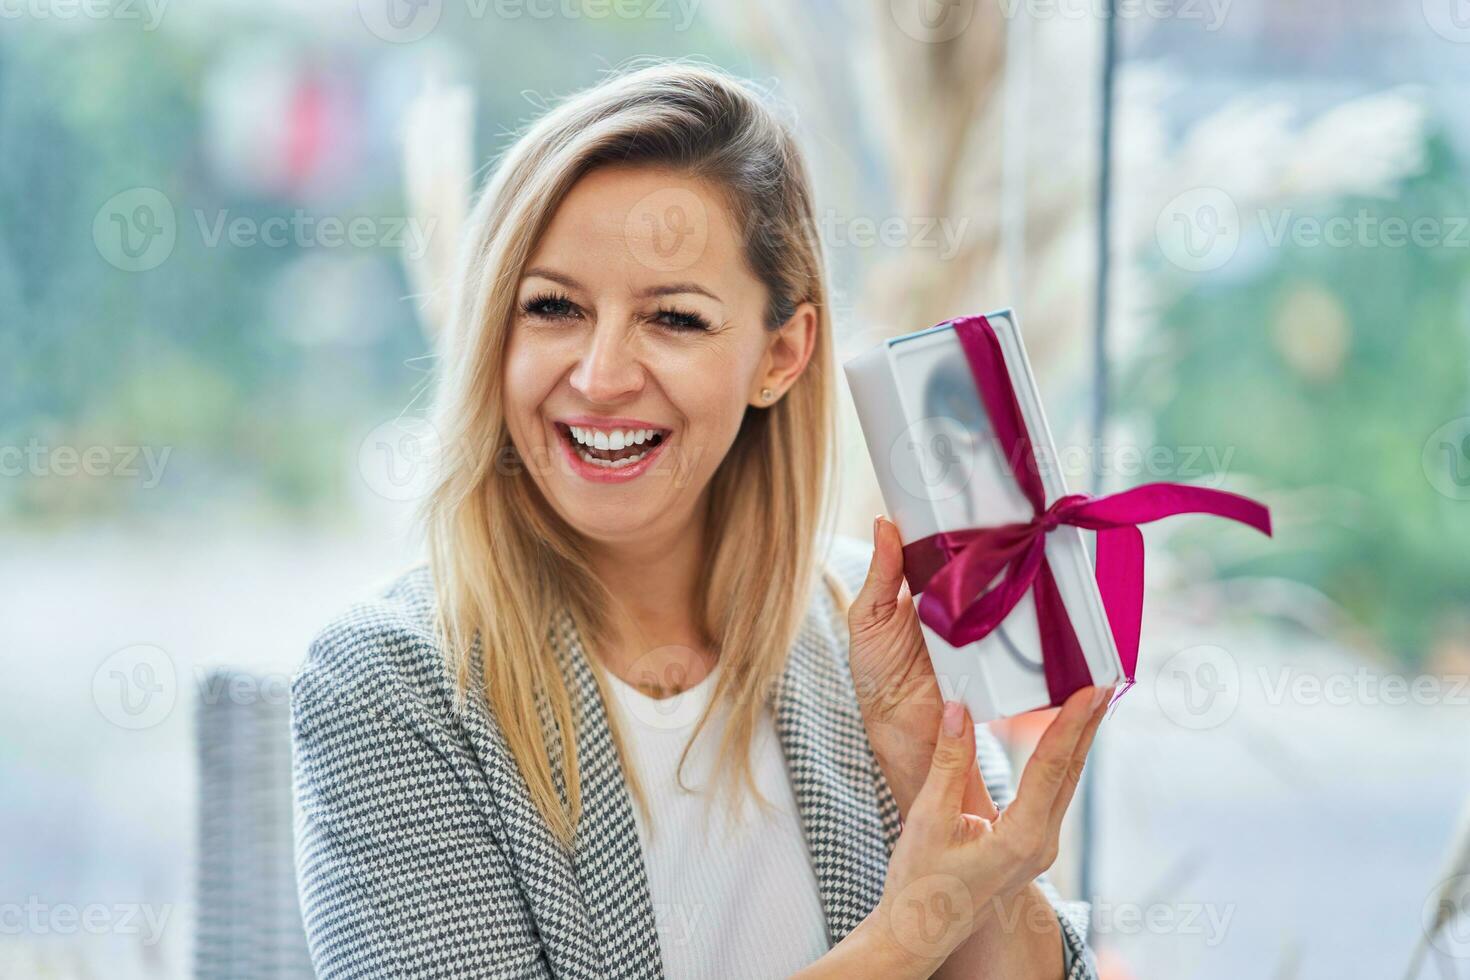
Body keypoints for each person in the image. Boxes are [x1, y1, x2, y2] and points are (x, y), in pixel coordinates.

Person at [291, 60, 1106, 979]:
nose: (600, 376)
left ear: (781, 355)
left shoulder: (865, 643)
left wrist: (932, 780)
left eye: (673, 319)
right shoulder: (391, 682)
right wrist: (913, 932)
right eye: (553, 306)